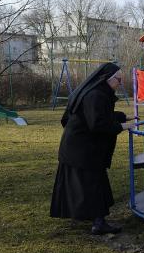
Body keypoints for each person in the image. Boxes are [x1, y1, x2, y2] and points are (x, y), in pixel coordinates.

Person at [50, 63, 135, 235]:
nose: (120, 83)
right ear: (108, 79)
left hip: (78, 147)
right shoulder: (96, 95)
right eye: (119, 80)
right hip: (82, 149)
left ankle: (90, 216)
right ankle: (98, 223)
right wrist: (124, 126)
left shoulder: (98, 92)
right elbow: (98, 123)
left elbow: (101, 114)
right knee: (93, 183)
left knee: (86, 184)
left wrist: (124, 116)